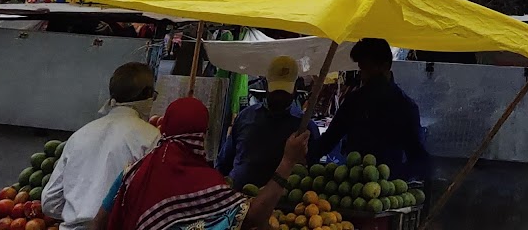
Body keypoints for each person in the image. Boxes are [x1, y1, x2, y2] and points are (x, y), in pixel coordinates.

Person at [98, 97, 306, 230]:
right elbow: (252, 216)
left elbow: (99, 222)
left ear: (164, 127)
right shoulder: (206, 184)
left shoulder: (133, 172)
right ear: (202, 135)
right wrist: (287, 162)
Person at [43, 63, 162, 230]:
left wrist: (78, 213)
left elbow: (50, 201)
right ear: (148, 94)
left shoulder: (80, 135)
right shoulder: (151, 137)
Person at [308, 39, 430, 185]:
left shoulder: (405, 107)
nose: (363, 76)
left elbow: (418, 158)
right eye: (361, 69)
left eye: (367, 69)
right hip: (353, 186)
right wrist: (301, 155)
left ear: (385, 66)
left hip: (387, 188)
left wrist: (396, 179)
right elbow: (329, 140)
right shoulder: (354, 101)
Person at [216, 56, 304, 189]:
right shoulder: (245, 117)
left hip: (281, 199)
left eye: (284, 92)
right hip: (238, 195)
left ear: (296, 88)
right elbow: (224, 162)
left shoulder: (303, 127)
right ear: (266, 85)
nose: (279, 97)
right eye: (276, 91)